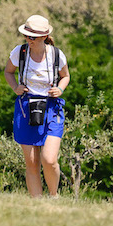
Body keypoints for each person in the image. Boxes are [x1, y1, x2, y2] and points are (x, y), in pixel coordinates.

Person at [6, 13, 69, 197]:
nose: (28, 39)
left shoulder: (56, 54)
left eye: (32, 37)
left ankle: (54, 195)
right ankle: (38, 203)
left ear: (43, 36)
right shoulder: (20, 52)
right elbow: (8, 72)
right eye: (26, 35)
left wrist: (60, 89)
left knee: (49, 159)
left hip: (51, 108)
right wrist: (15, 87)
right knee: (32, 162)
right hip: (26, 108)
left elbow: (65, 76)